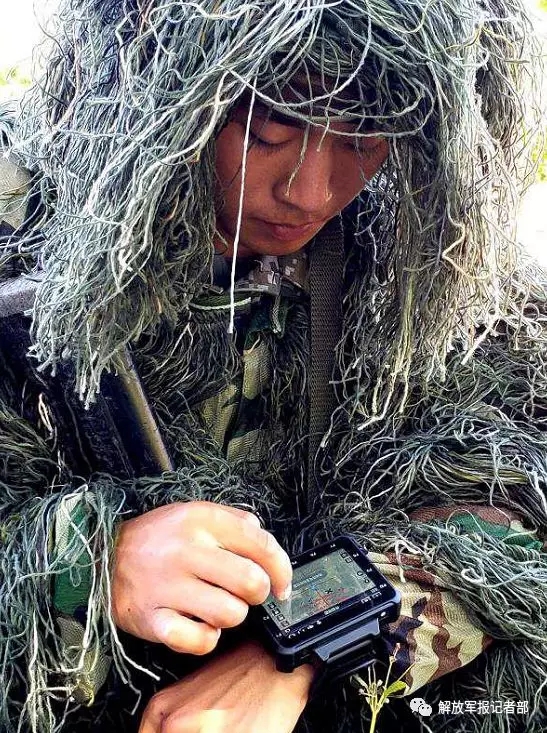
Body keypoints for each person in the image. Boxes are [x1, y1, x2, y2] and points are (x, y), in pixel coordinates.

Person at [0, 1, 546, 731]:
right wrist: (88, 565)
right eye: (269, 128)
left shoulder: (419, 268)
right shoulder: (20, 231)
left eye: (366, 134)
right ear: (159, 85)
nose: (310, 191)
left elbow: (519, 496)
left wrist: (298, 648)